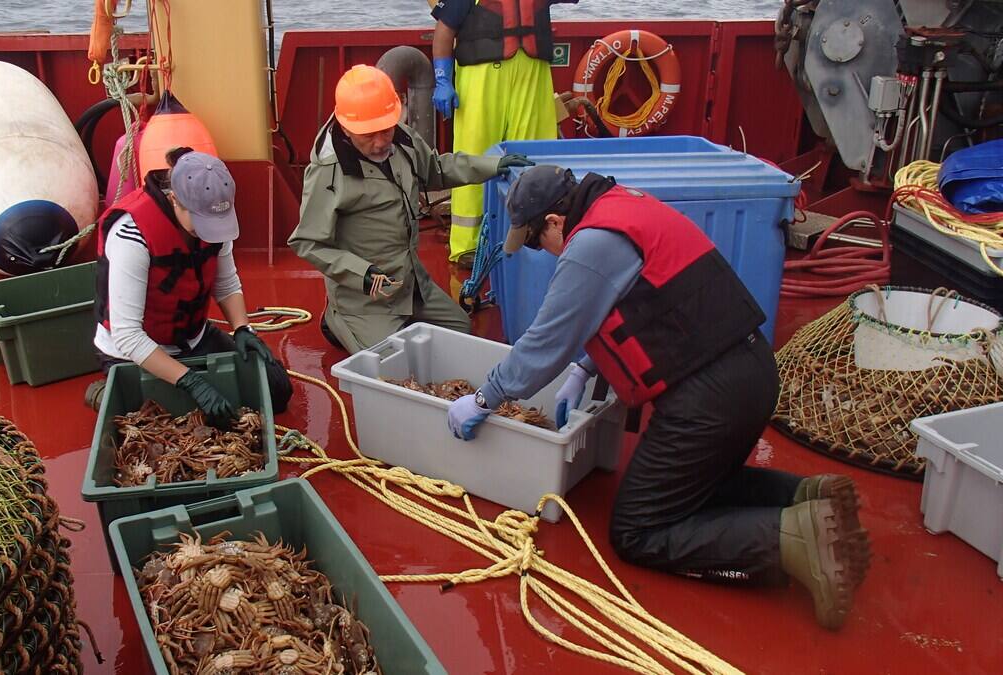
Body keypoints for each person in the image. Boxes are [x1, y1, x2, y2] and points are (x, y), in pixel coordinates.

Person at [445, 165, 872, 629]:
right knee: (691, 488)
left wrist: (484, 400)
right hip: (750, 370)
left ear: (553, 220)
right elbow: (652, 301)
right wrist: (585, 367)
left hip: (709, 397)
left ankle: (793, 539)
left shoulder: (590, 245)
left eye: (534, 240)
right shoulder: (623, 206)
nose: (541, 250)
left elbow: (545, 343)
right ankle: (806, 496)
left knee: (638, 530)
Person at [288, 64, 533, 353]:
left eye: (385, 129)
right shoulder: (327, 173)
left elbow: (436, 169)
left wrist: (492, 165)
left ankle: (404, 315)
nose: (381, 142)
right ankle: (338, 318)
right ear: (346, 128)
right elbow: (307, 241)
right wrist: (360, 273)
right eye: (369, 135)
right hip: (367, 296)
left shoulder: (402, 138)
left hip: (411, 281)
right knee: (387, 361)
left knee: (460, 332)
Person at [86, 147, 293, 422]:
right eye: (201, 220)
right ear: (175, 199)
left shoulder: (215, 222)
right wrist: (191, 382)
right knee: (169, 421)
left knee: (277, 388)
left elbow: (226, 284)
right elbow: (128, 336)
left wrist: (243, 329)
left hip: (193, 339)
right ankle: (104, 394)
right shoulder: (131, 234)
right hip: (133, 351)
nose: (211, 229)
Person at [431, 0, 578, 268]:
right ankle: (468, 246)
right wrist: (442, 79)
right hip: (481, 79)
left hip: (533, 77)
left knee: (533, 157)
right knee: (474, 157)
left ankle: (534, 237)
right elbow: (444, 29)